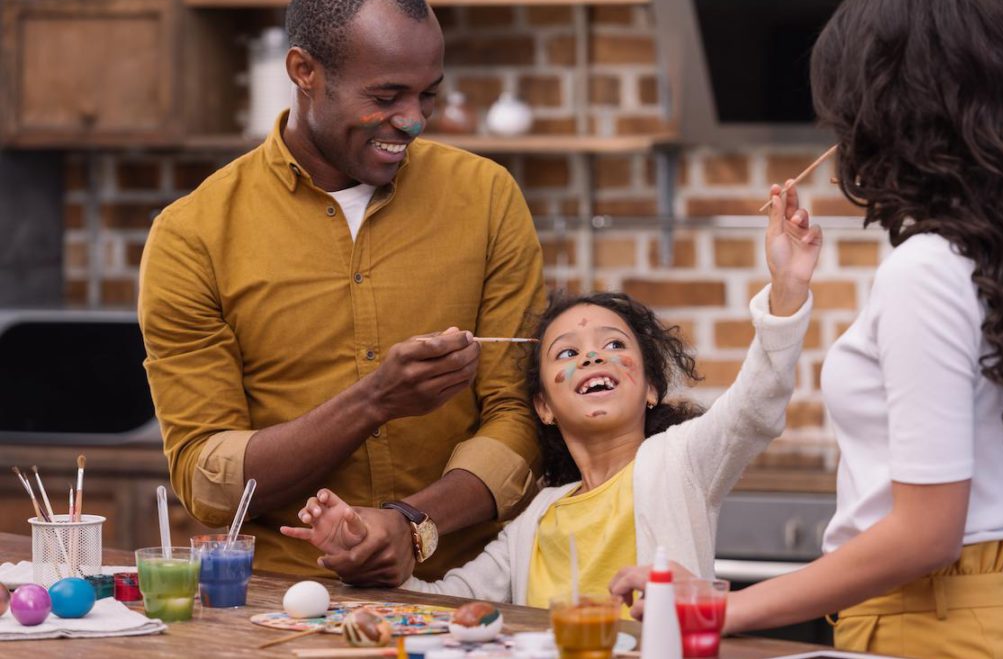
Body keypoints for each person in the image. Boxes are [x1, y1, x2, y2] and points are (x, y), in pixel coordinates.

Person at [616, 0, 1003, 656]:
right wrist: (787, 288)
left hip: (927, 628)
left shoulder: (924, 269)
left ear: (886, 107)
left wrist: (724, 605)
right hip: (996, 616)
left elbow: (925, 533)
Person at [137, 0, 546, 585]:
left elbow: (520, 413)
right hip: (278, 601)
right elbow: (207, 474)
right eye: (385, 96)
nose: (411, 120)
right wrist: (372, 401)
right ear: (304, 71)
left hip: (466, 592)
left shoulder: (486, 199)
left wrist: (413, 524)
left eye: (426, 95)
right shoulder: (193, 234)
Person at [281, 182, 821, 610]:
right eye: (566, 353)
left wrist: (787, 290)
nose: (591, 357)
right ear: (542, 405)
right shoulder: (535, 518)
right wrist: (363, 555)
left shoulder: (681, 462)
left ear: (653, 387)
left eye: (614, 345)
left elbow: (754, 406)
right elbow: (448, 607)